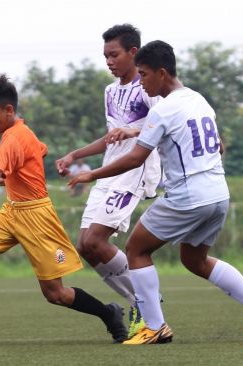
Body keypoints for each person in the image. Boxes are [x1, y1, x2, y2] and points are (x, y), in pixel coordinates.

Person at [71, 40, 243, 344]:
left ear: (161, 73)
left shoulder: (164, 109)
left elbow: (134, 158)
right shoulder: (199, 100)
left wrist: (92, 173)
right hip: (218, 194)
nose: (141, 83)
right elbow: (219, 146)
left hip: (188, 197)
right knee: (195, 259)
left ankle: (155, 327)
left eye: (143, 75)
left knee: (136, 250)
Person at [0, 74, 127, 344]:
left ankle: (109, 314)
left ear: (9, 110)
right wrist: (14, 173)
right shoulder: (20, 133)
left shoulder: (14, 137)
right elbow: (41, 151)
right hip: (12, 211)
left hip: (38, 216)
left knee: (55, 294)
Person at [55, 24, 161, 339]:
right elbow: (110, 138)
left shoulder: (148, 88)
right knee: (86, 245)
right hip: (108, 171)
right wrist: (75, 155)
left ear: (133, 52)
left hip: (134, 171)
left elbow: (161, 125)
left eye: (114, 54)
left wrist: (132, 131)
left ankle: (146, 303)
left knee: (96, 240)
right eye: (105, 56)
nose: (109, 61)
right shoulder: (111, 91)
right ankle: (137, 301)